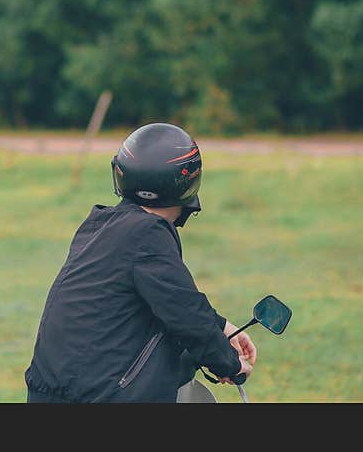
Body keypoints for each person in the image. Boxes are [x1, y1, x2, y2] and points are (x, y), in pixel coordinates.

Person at [25, 123, 256, 403]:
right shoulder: (148, 233)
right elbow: (185, 314)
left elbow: (172, 300)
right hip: (102, 396)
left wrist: (223, 327)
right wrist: (230, 364)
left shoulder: (99, 226)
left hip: (50, 393)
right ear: (189, 181)